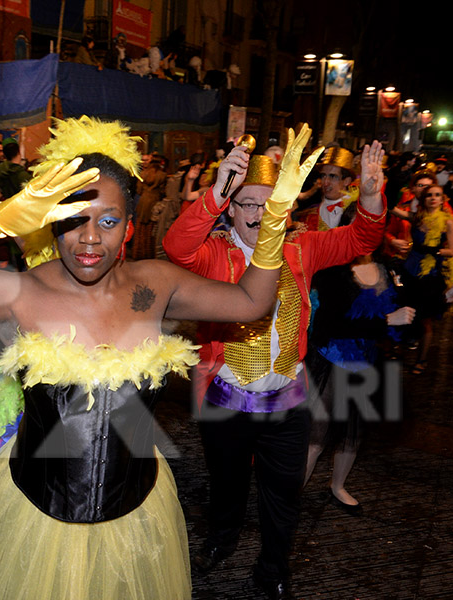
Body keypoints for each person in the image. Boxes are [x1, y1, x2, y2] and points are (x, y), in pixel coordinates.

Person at [0, 115, 317, 600]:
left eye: (108, 221)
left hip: (139, 510)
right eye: (74, 219)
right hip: (33, 518)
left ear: (129, 225)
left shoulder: (155, 284)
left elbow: (252, 302)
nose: (89, 239)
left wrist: (274, 219)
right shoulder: (16, 291)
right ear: (50, 221)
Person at [163, 138, 386, 600]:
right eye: (246, 204)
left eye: (269, 206)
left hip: (287, 398)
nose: (258, 214)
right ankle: (221, 541)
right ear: (230, 209)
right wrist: (216, 189)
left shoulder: (301, 249)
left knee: (283, 492)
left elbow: (361, 238)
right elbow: (176, 246)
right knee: (226, 483)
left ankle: (273, 568)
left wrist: (368, 196)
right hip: (225, 397)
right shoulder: (215, 254)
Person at [303, 206, 416, 515]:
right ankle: (289, 493)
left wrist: (444, 299)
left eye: (370, 226)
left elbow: (410, 300)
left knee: (353, 433)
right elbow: (332, 325)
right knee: (317, 433)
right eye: (357, 226)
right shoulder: (333, 272)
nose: (363, 233)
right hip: (332, 359)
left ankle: (337, 486)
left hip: (366, 362)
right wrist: (385, 322)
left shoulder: (386, 266)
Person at [392, 184, 453, 374]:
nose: (433, 198)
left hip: (430, 277)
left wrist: (434, 251)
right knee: (404, 314)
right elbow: (392, 210)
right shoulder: (417, 217)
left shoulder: (447, 222)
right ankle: (400, 350)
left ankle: (422, 359)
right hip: (409, 272)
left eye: (437, 195)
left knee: (425, 320)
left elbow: (452, 250)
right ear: (423, 198)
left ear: (442, 199)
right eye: (429, 195)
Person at [294, 146, 356, 231]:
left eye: (333, 176)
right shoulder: (309, 216)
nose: (325, 182)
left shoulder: (356, 213)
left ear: (346, 181)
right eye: (323, 176)